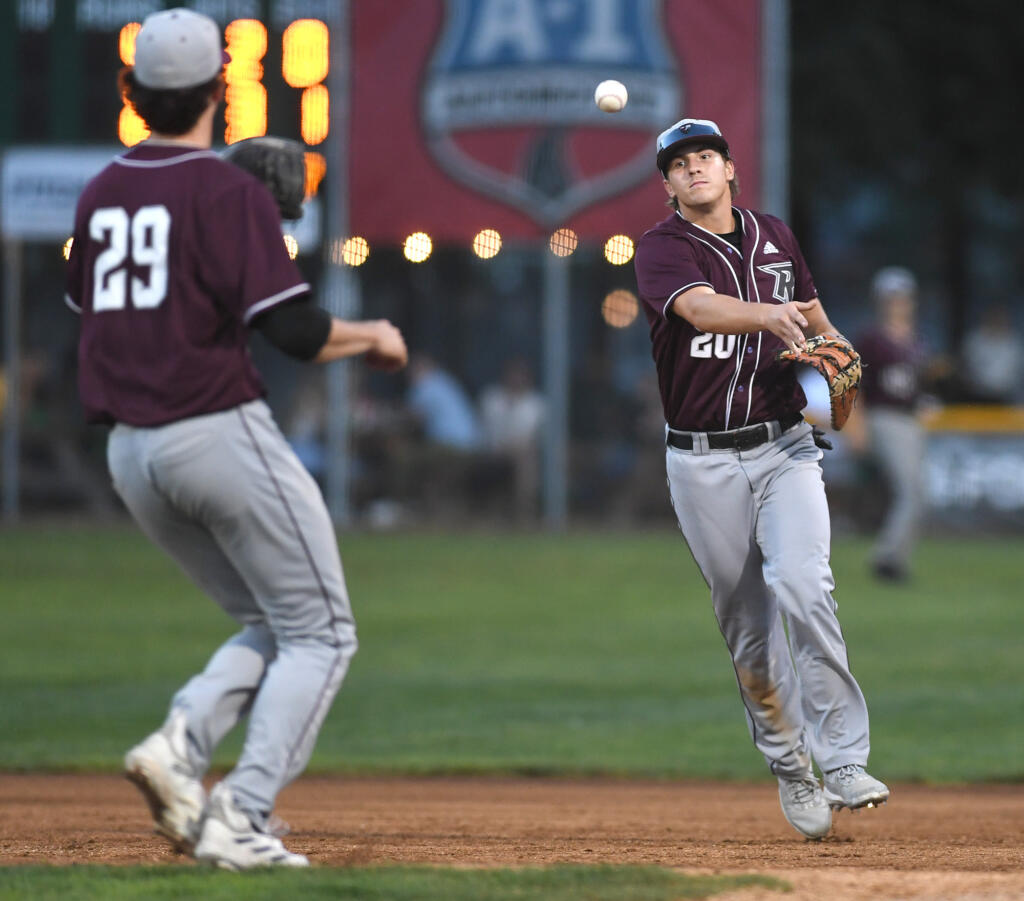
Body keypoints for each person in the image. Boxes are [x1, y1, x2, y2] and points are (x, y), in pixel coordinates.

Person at [64, 9, 407, 870]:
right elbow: (292, 331)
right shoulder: (226, 192)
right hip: (212, 430)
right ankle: (241, 813)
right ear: (222, 89)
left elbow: (97, 309)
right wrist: (373, 334)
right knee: (324, 632)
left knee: (271, 617)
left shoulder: (101, 192)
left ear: (132, 93)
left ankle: (180, 745)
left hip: (129, 458)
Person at [633, 118, 888, 840]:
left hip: (785, 447)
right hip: (701, 460)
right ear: (668, 184)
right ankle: (791, 765)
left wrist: (835, 364)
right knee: (748, 628)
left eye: (705, 157)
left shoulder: (774, 234)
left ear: (729, 167)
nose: (694, 170)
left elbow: (815, 322)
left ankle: (842, 758)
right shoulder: (663, 248)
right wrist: (770, 318)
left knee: (805, 583)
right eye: (679, 165)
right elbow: (697, 307)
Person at [849, 267, 929, 582]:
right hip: (884, 417)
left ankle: (893, 556)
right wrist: (855, 425)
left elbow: (917, 384)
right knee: (911, 490)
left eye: (903, 297)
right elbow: (854, 383)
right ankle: (888, 558)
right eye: (892, 297)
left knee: (915, 491)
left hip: (911, 419)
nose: (898, 303)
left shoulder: (917, 339)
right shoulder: (872, 338)